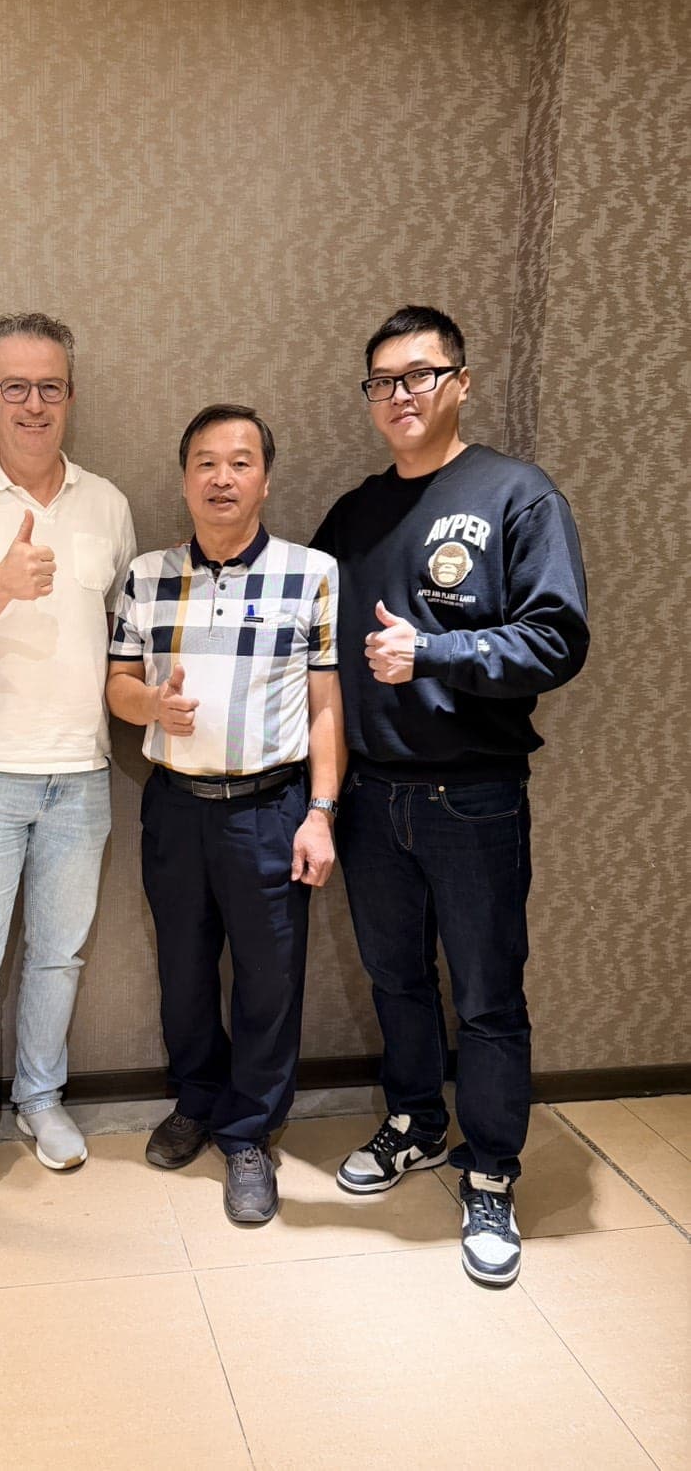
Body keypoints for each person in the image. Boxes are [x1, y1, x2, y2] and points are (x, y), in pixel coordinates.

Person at [311, 305, 589, 1286]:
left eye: (419, 374)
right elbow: (312, 644)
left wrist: (432, 651)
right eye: (382, 381)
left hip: (474, 795)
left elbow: (557, 639)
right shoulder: (352, 515)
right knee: (395, 978)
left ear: (460, 382)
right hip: (371, 794)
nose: (400, 394)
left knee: (486, 995)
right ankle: (416, 1121)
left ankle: (492, 1167)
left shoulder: (516, 494)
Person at [0, 312, 136, 1225]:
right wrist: (2, 581)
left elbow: (123, 633)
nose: (33, 404)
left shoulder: (108, 503)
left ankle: (40, 1098)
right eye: (15, 386)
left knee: (57, 953)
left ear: (70, 396)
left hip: (80, 772)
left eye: (49, 386)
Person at [107, 405, 344, 1225]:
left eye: (241, 462)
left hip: (271, 808)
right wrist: (150, 705)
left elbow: (326, 706)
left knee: (269, 980)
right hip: (175, 807)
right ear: (184, 479)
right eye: (205, 462)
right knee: (183, 970)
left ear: (265, 479)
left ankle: (249, 1132)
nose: (222, 477)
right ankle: (197, 1100)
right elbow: (118, 685)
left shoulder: (312, 573)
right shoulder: (146, 575)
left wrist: (321, 811)